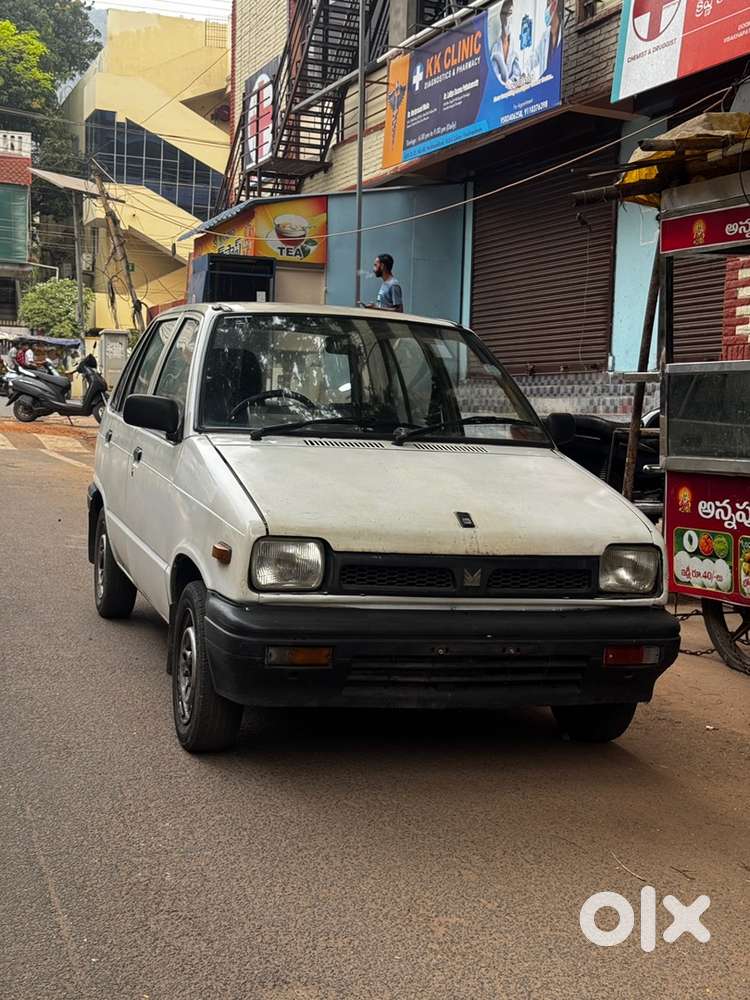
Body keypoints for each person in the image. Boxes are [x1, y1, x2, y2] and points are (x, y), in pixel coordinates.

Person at [491, 0, 522, 90]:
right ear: (501, 16)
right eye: (504, 14)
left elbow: (517, 74)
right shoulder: (495, 48)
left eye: (510, 14)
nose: (507, 18)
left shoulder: (515, 46)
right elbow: (494, 75)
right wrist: (504, 83)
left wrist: (511, 83)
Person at [532, 0, 562, 79]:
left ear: (555, 5)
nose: (546, 10)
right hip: (547, 83)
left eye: (548, 4)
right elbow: (534, 57)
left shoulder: (563, 31)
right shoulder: (544, 37)